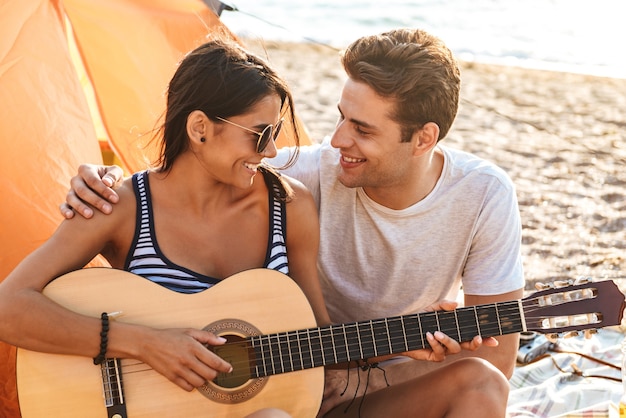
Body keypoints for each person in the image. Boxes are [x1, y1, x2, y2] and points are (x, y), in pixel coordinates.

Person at [58, 29, 520, 417]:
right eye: (341, 118)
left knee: (481, 384)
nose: (337, 141)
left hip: (348, 382)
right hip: (282, 388)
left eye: (363, 129)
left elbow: (499, 356)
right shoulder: (301, 175)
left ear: (423, 139)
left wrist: (377, 368)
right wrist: (105, 181)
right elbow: (192, 171)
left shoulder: (482, 195)